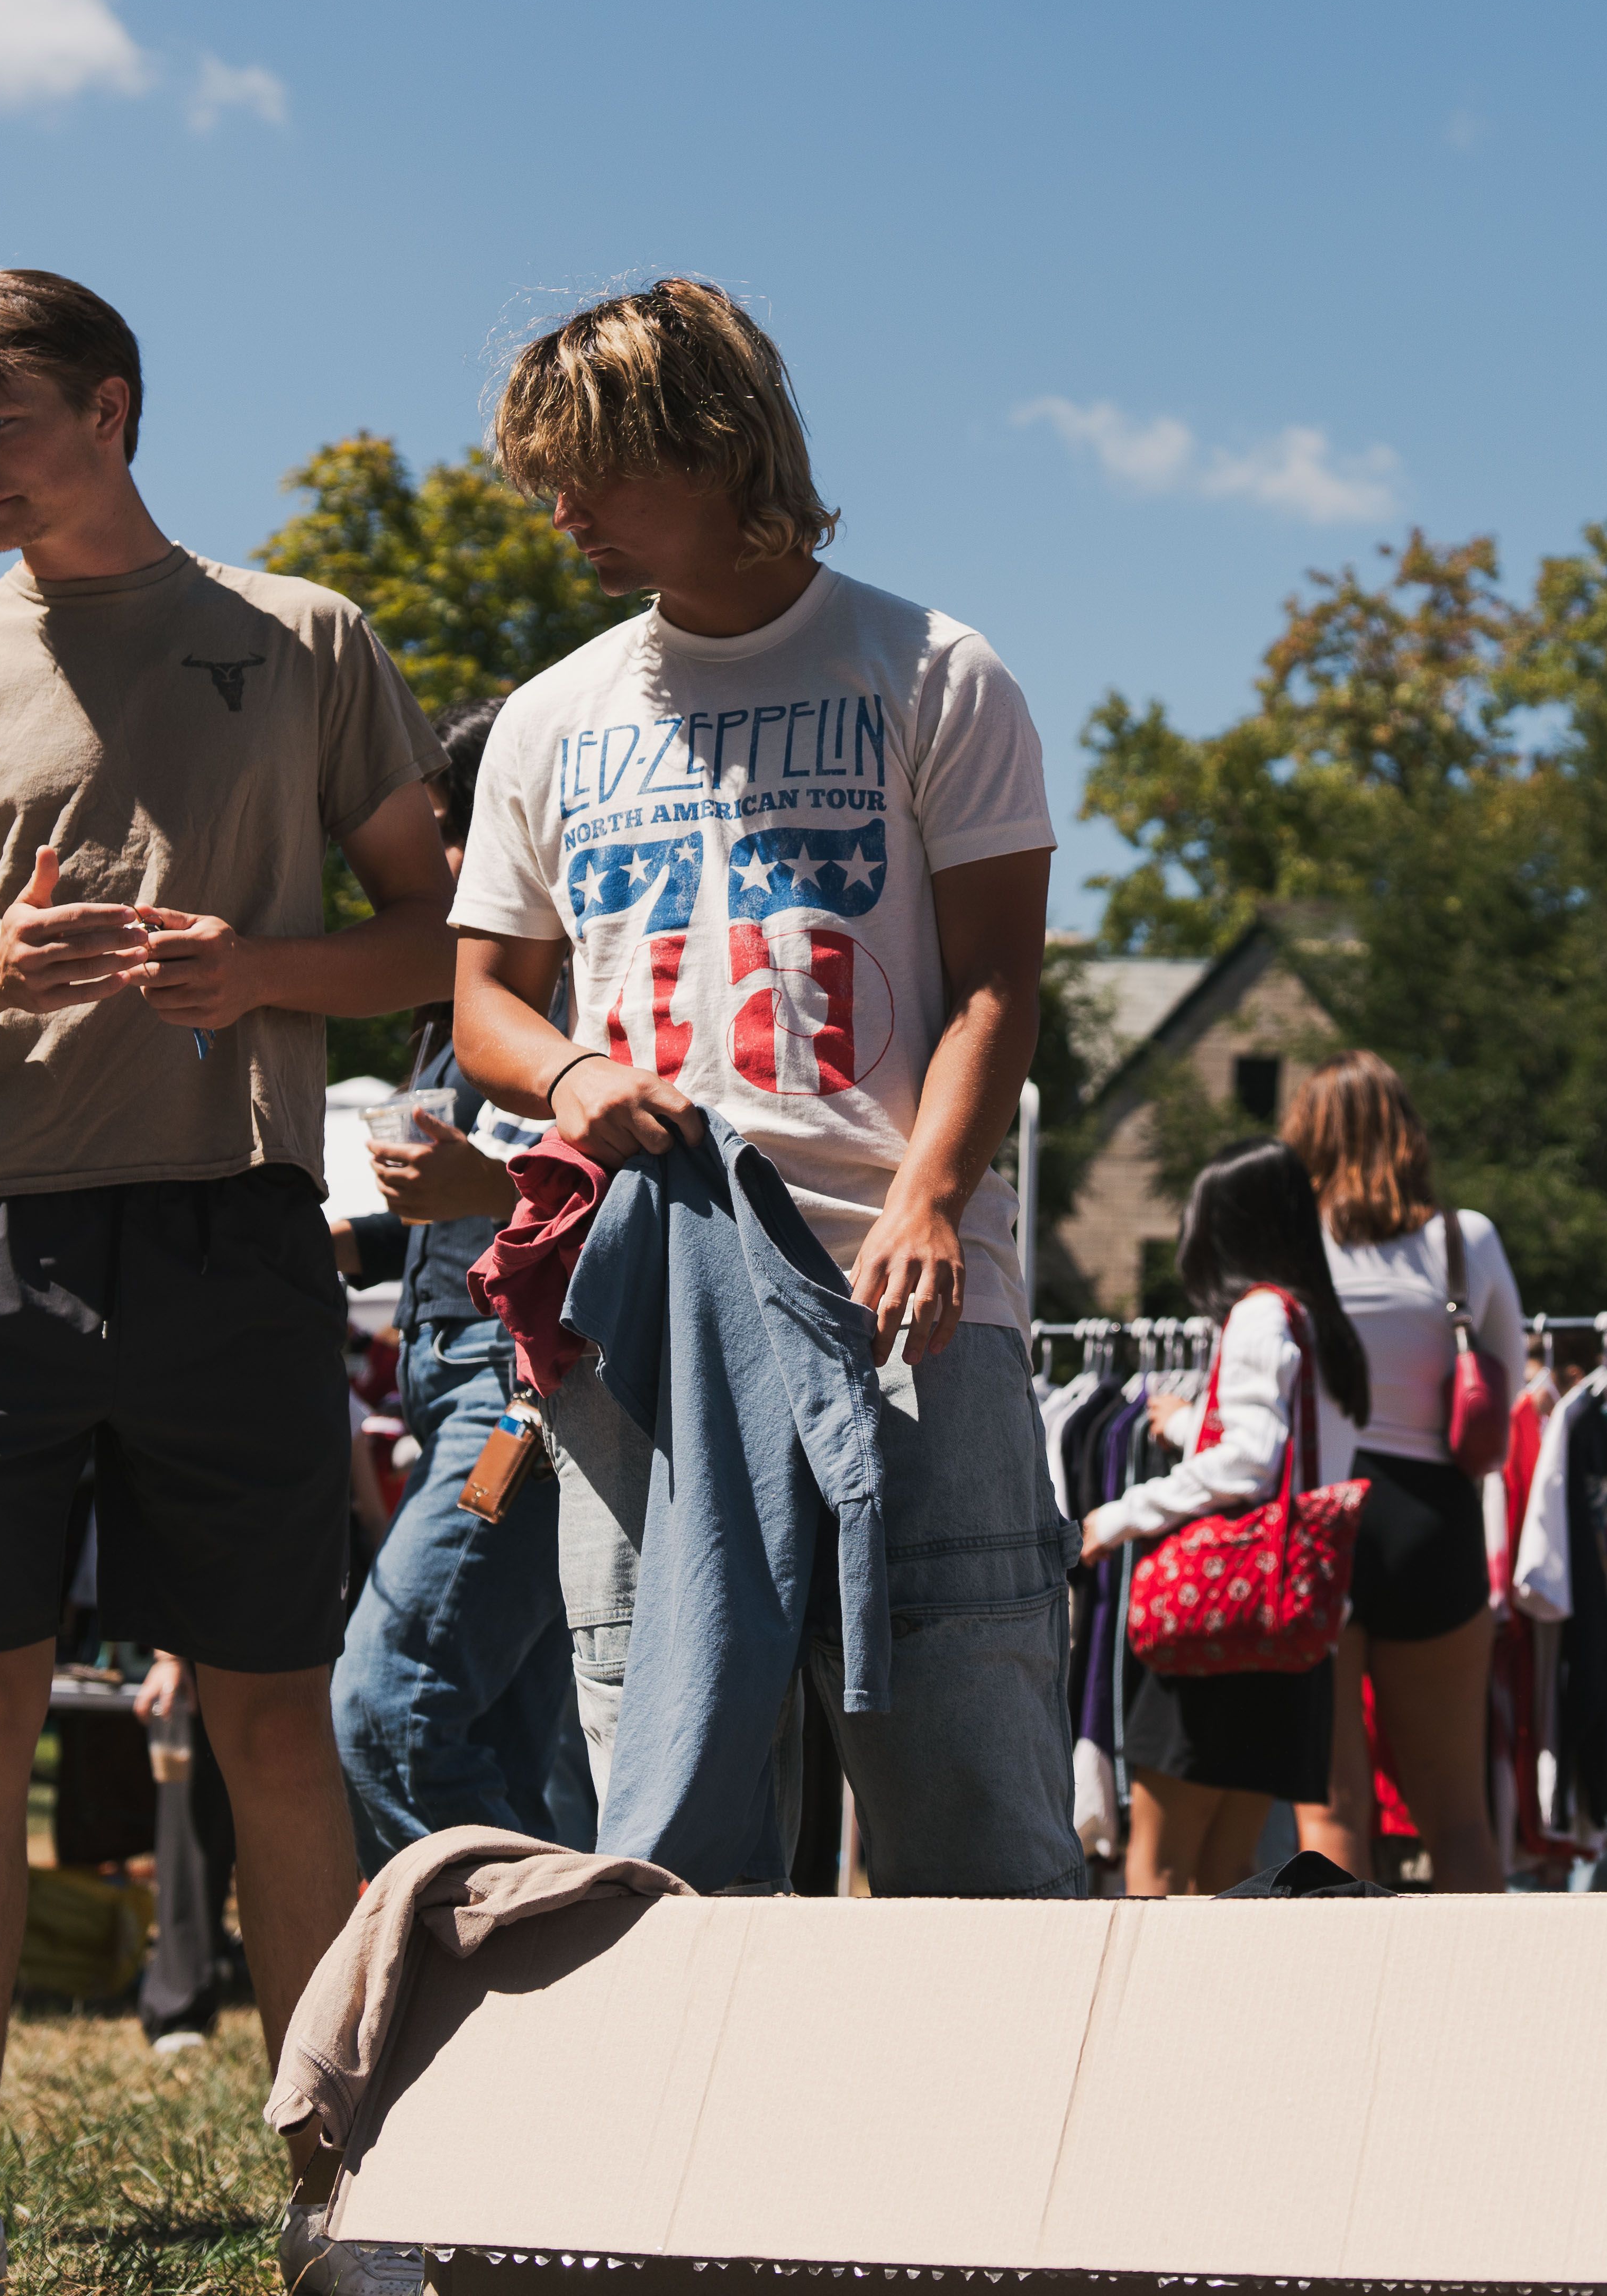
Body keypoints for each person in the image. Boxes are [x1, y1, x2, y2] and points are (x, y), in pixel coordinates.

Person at [0, 269, 454, 2296]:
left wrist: (258, 971)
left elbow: (439, 944)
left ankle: (341, 2194)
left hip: (239, 1227)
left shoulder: (305, 639)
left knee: (271, 1714)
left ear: (113, 401)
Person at [449, 279, 1078, 1897]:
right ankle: (700, 2142)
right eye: (549, 476)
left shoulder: (931, 671)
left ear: (718, 448)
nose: (563, 511)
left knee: (970, 1810)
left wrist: (936, 1198)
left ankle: (1020, 2142)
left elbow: (1002, 982)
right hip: (645, 1314)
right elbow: (483, 1008)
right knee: (669, 1816)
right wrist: (573, 1072)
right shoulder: (551, 716)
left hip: (907, 1300)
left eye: (597, 471)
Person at [331, 697, 598, 1863]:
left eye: (447, 827)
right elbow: (445, 1218)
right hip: (451, 1375)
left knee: (387, 1706)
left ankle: (522, 1964)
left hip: (521, 1396)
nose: (426, 863)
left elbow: (619, 1192)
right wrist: (338, 1242)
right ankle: (556, 2019)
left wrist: (486, 1187)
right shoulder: (457, 1004)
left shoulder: (582, 988)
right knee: (507, 1731)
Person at [1076, 1140, 1373, 1893]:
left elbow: (1249, 1461)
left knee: (1158, 1865)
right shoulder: (1321, 1326)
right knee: (1231, 1871)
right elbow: (1287, 1455)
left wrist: (1117, 1518)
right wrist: (1186, 1425)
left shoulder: (1257, 1316)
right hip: (1290, 1627)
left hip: (1215, 1625)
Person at [1273, 1053, 1513, 1893]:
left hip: (1320, 1526)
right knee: (1457, 1815)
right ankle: (1478, 2008)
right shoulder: (1464, 1241)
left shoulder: (1286, 1244)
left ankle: (1339, 2012)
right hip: (1433, 1520)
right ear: (1408, 1133)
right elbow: (1504, 1394)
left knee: (1333, 1812)